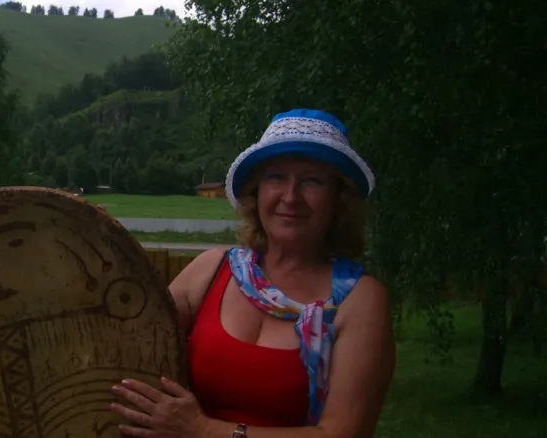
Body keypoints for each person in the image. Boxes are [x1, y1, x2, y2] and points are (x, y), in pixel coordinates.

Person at [109, 109, 396, 437]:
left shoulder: (360, 301)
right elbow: (125, 344)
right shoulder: (211, 271)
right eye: (276, 177)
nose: (290, 197)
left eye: (312, 181)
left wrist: (203, 430)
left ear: (338, 200)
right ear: (256, 191)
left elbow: (342, 434)